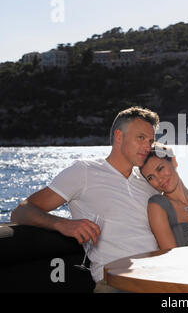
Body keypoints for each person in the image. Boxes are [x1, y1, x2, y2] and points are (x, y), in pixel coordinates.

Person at [11, 106, 161, 291]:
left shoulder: (148, 181)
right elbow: (22, 211)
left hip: (160, 278)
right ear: (119, 136)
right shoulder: (85, 171)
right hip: (117, 283)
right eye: (141, 138)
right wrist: (61, 224)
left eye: (151, 141)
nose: (148, 147)